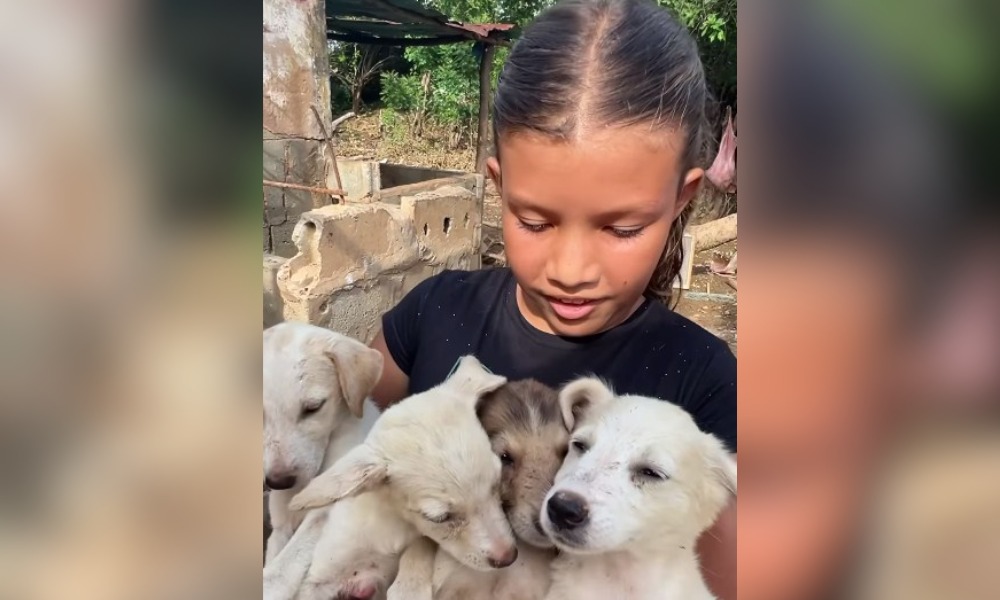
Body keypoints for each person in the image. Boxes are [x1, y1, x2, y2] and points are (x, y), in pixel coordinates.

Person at [368, 0, 736, 596]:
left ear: (680, 198)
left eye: (622, 229)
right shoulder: (432, 314)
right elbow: (360, 460)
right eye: (534, 221)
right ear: (498, 185)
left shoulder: (705, 386)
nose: (570, 270)